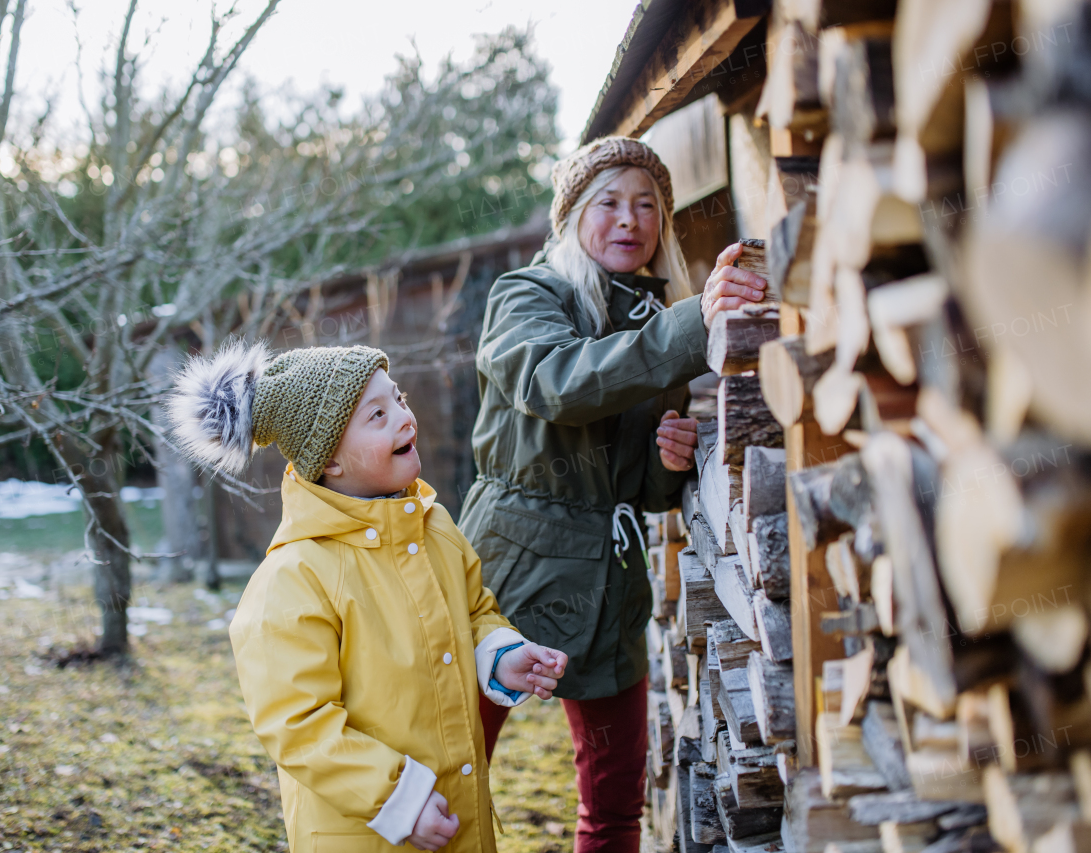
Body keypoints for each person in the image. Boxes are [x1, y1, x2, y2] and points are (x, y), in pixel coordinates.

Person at [457, 135, 767, 852]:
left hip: (611, 583)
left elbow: (644, 487)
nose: (631, 220)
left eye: (647, 205)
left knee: (614, 798)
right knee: (453, 769)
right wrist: (693, 321)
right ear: (571, 216)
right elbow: (557, 384)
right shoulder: (526, 296)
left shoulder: (651, 316)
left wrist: (668, 462)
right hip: (508, 570)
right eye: (609, 203)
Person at [168, 342, 569, 852]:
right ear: (330, 459)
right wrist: (398, 799)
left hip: (458, 819)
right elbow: (299, 725)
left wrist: (500, 654)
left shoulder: (434, 527)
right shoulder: (293, 578)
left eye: (398, 398)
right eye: (377, 415)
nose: (404, 417)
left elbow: (472, 613)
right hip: (367, 834)